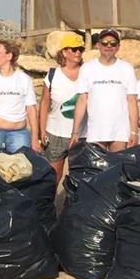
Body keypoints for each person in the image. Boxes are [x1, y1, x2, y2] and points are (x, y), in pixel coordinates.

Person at [71, 28, 137, 151]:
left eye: (113, 43)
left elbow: (132, 101)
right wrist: (75, 132)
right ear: (98, 45)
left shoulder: (126, 68)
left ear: (118, 47)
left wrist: (134, 132)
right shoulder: (87, 68)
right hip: (96, 132)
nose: (108, 46)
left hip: (120, 132)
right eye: (105, 43)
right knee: (97, 170)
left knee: (118, 169)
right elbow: (82, 100)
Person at [0, 39, 39, 154]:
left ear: (9, 56)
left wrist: (34, 138)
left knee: (20, 169)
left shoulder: (24, 79)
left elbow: (31, 109)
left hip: (18, 134)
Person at [38, 32, 84, 178]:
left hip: (81, 134)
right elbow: (44, 103)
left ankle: (72, 201)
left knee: (79, 176)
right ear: (64, 52)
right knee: (53, 176)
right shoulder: (53, 75)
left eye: (80, 49)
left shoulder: (88, 73)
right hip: (55, 133)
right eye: (74, 49)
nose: (78, 52)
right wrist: (42, 132)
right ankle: (50, 201)